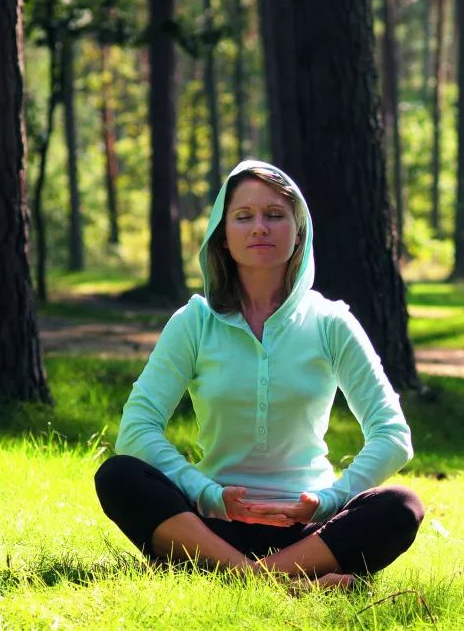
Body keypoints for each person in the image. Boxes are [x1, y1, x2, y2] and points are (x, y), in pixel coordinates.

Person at [94, 160, 423, 589]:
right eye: (244, 217)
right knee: (118, 475)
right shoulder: (194, 321)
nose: (259, 228)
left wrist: (329, 501)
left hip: (309, 532)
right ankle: (287, 579)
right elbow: (137, 429)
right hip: (213, 526)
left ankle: (239, 575)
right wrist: (207, 493)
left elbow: (393, 435)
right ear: (223, 235)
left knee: (399, 506)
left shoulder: (331, 322)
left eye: (275, 215)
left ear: (298, 229)